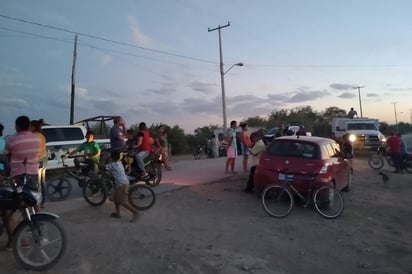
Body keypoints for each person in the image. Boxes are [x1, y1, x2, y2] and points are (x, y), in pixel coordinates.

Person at [2, 116, 41, 248]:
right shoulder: (36, 138)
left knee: (14, 203)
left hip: (17, 174)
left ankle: (17, 232)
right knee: (33, 198)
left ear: (17, 126)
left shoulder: (11, 139)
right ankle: (35, 223)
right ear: (29, 126)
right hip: (33, 172)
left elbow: (6, 154)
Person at [104, 151, 138, 222]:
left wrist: (104, 160)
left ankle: (135, 213)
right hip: (122, 183)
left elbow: (103, 167)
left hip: (122, 185)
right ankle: (118, 214)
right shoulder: (119, 162)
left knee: (123, 202)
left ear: (112, 157)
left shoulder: (113, 165)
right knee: (116, 199)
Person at [30, 120, 48, 208]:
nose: (29, 128)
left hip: (38, 160)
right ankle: (43, 201)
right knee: (42, 181)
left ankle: (39, 202)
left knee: (38, 183)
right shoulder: (41, 135)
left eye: (30, 126)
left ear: (33, 127)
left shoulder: (34, 136)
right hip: (44, 159)